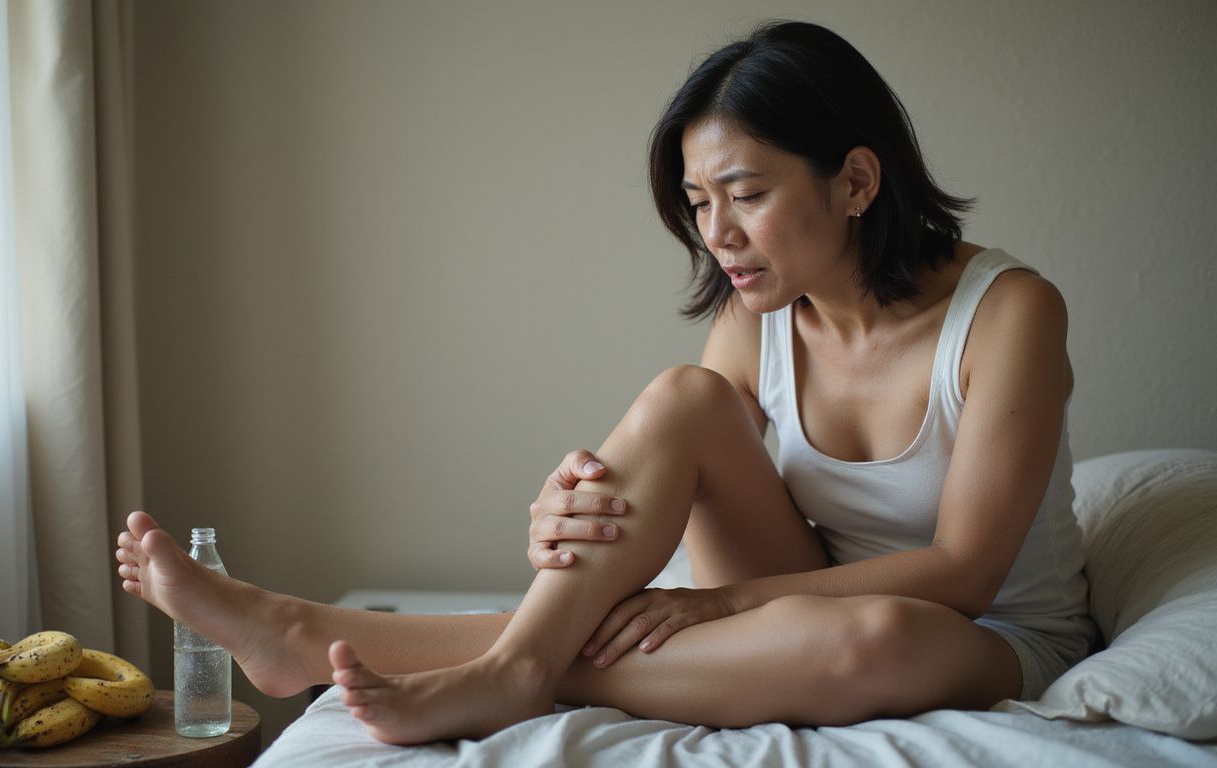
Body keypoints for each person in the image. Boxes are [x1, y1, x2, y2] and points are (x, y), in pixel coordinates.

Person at [114, 20, 1096, 746]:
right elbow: (682, 473)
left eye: (748, 195)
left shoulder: (1009, 312)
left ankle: (354, 640)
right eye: (700, 202)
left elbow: (966, 572)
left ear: (856, 182)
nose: (717, 235)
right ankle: (504, 663)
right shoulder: (754, 317)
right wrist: (570, 511)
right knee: (681, 400)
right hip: (797, 589)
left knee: (869, 638)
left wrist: (719, 607)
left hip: (988, 631)